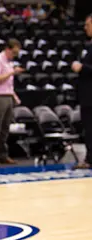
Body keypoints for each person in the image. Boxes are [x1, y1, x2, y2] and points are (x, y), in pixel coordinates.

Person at [0, 38, 23, 166]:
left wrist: (15, 97)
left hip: (8, 97)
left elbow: (8, 85)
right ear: (7, 49)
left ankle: (2, 154)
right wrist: (12, 72)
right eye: (13, 52)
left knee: (5, 128)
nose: (14, 55)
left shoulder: (9, 62)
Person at [71, 14, 92, 169]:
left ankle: (90, 159)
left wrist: (82, 67)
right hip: (86, 96)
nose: (85, 28)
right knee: (88, 129)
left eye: (87, 25)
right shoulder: (89, 45)